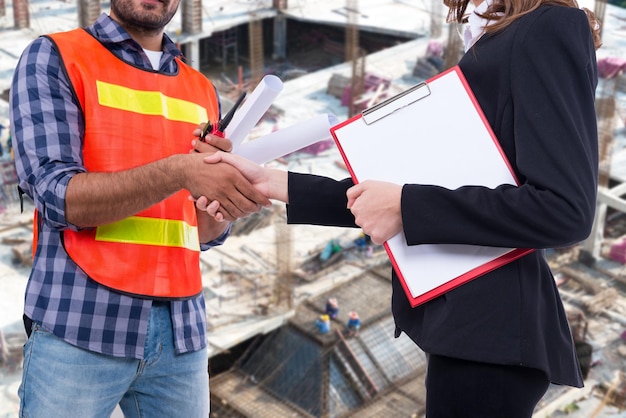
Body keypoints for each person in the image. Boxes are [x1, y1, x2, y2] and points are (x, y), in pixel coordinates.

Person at [196, 0, 602, 415]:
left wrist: (407, 205)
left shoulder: (548, 26)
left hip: (492, 330)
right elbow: (408, 194)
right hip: (466, 326)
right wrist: (272, 181)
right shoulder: (499, 33)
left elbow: (565, 208)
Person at [9, 0, 270, 415]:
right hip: (82, 320)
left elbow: (199, 230)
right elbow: (56, 196)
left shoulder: (200, 88)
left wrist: (227, 204)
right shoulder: (57, 56)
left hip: (181, 330)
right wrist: (179, 171)